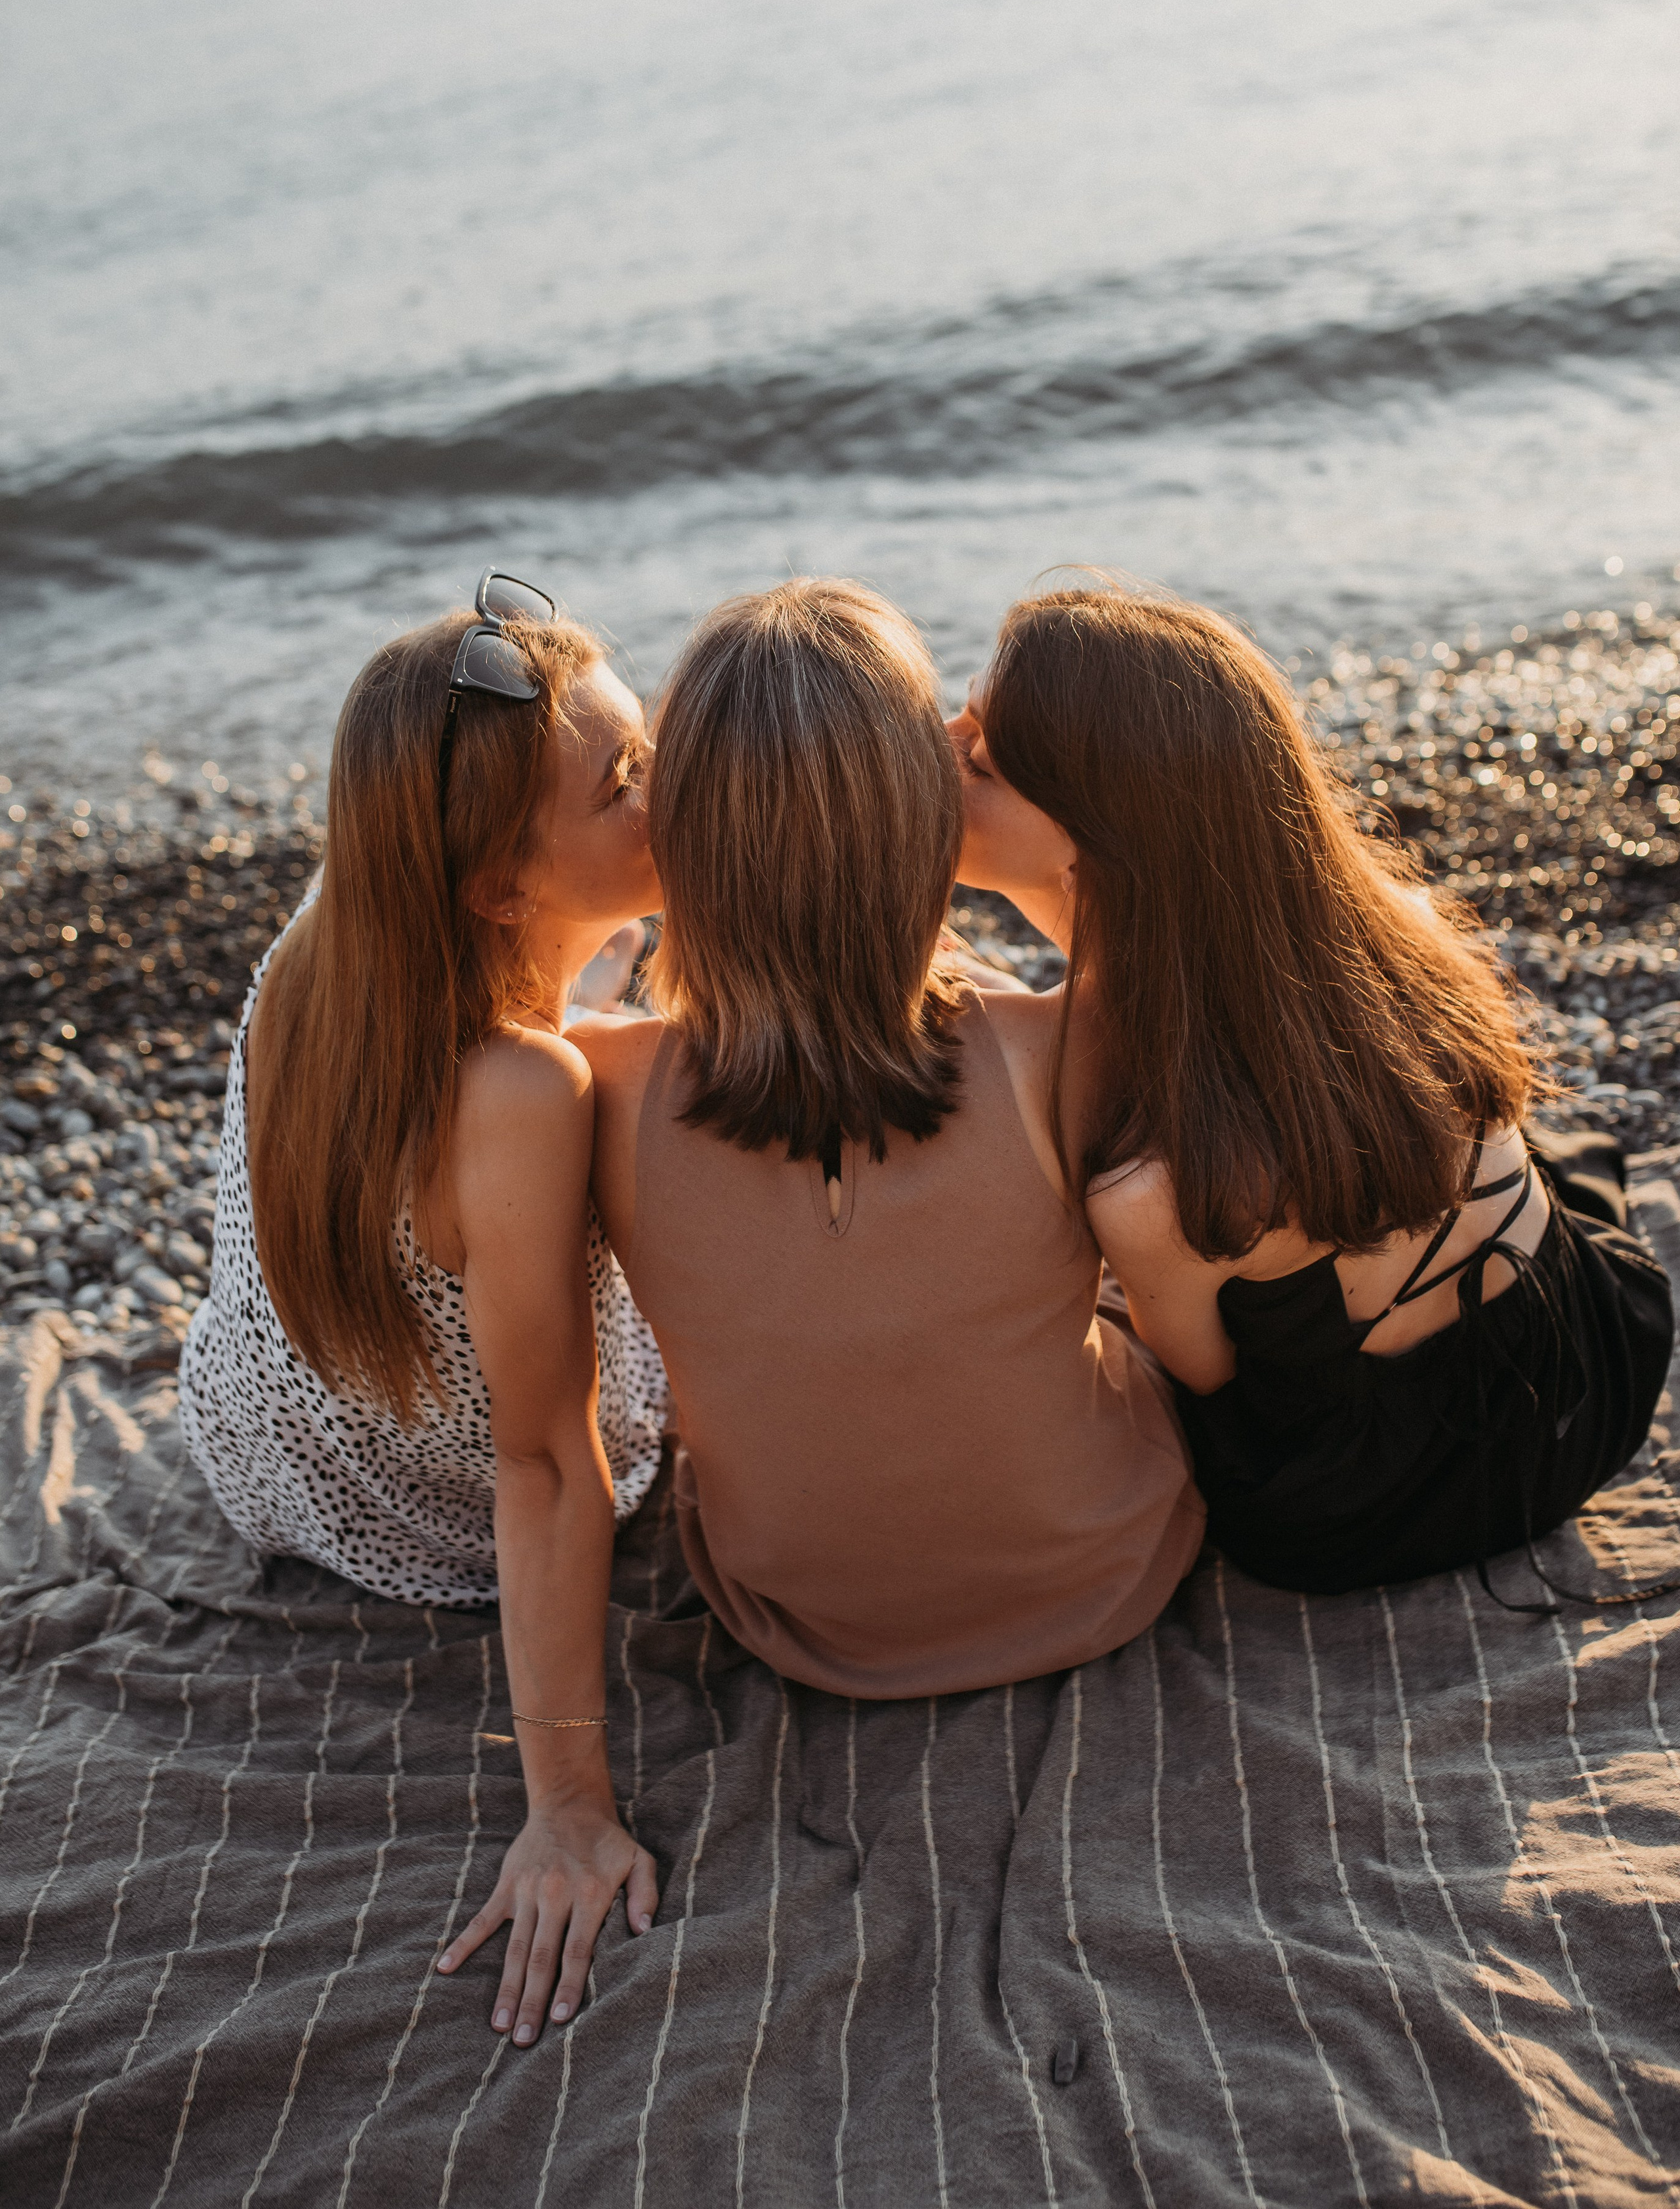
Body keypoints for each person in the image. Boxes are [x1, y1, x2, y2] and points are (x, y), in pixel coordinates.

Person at [949, 578, 1673, 1599]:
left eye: (977, 754)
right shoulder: (1406, 931)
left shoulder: (1155, 1177)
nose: (939, 743)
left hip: (1363, 1514)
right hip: (1590, 1370)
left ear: (1086, 835)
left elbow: (1213, 1398)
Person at [179, 574, 667, 2044]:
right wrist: (568, 1808)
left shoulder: (336, 936)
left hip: (245, 1435)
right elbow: (540, 1458)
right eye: (627, 784)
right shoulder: (524, 1092)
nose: (673, 786)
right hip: (431, 1521)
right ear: (503, 889)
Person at [576, 578, 1204, 1700]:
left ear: (684, 843)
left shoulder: (600, 1082)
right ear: (927, 823)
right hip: (1101, 1573)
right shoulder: (1064, 1043)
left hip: (811, 1622)